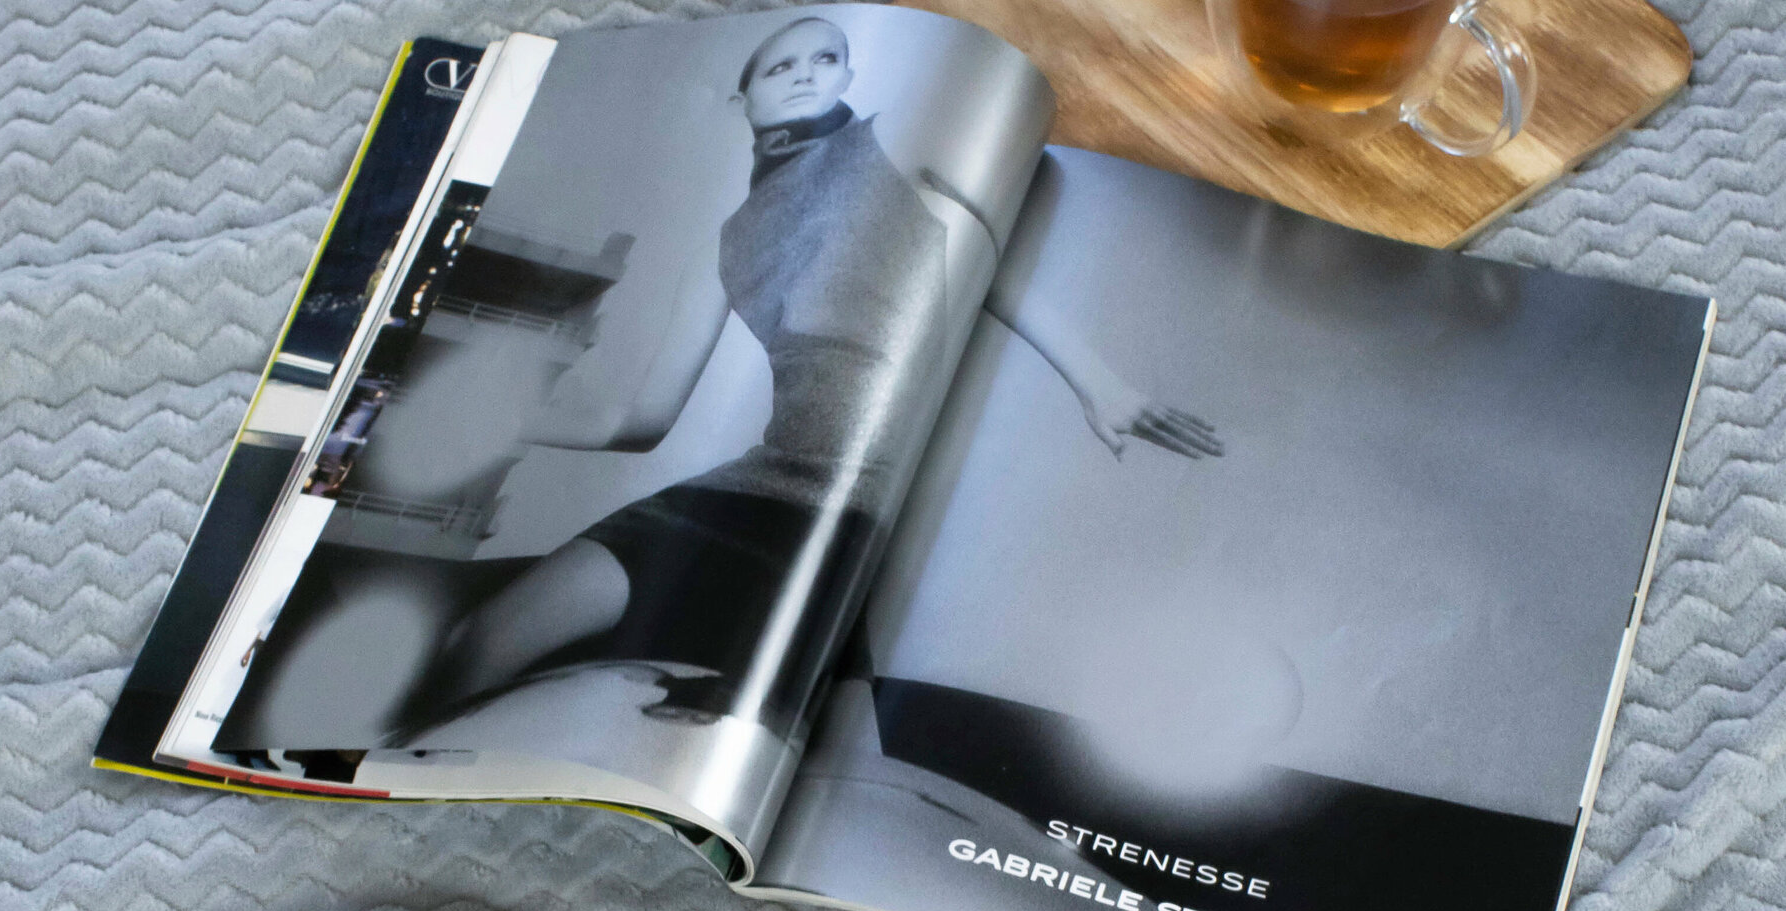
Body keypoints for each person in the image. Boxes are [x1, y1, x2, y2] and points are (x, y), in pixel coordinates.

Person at [300, 17, 1225, 747]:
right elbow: (637, 417)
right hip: (752, 492)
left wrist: (1100, 384)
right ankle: (369, 775)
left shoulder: (894, 144)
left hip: (861, 512)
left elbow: (994, 252)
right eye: (783, 66)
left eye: (828, 60)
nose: (809, 73)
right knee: (484, 644)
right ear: (739, 96)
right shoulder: (732, 239)